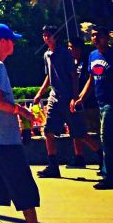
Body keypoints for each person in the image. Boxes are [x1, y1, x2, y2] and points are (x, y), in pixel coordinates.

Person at [0, 23, 68, 223]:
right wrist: (22, 112)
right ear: (2, 41)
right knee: (25, 189)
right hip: (5, 142)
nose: (14, 44)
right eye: (11, 40)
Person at [32, 25, 100, 177]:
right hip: (54, 99)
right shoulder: (46, 55)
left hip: (68, 99)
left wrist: (75, 97)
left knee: (80, 134)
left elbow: (73, 75)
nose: (46, 38)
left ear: (56, 37)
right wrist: (39, 94)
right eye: (44, 35)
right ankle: (53, 165)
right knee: (48, 131)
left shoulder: (65, 54)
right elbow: (49, 77)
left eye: (49, 35)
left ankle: (101, 156)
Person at [75, 26, 113, 189]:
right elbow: (91, 78)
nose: (95, 38)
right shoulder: (92, 55)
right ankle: (112, 166)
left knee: (106, 138)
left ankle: (109, 176)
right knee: (111, 138)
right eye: (93, 35)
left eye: (98, 35)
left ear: (107, 37)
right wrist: (81, 97)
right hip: (99, 102)